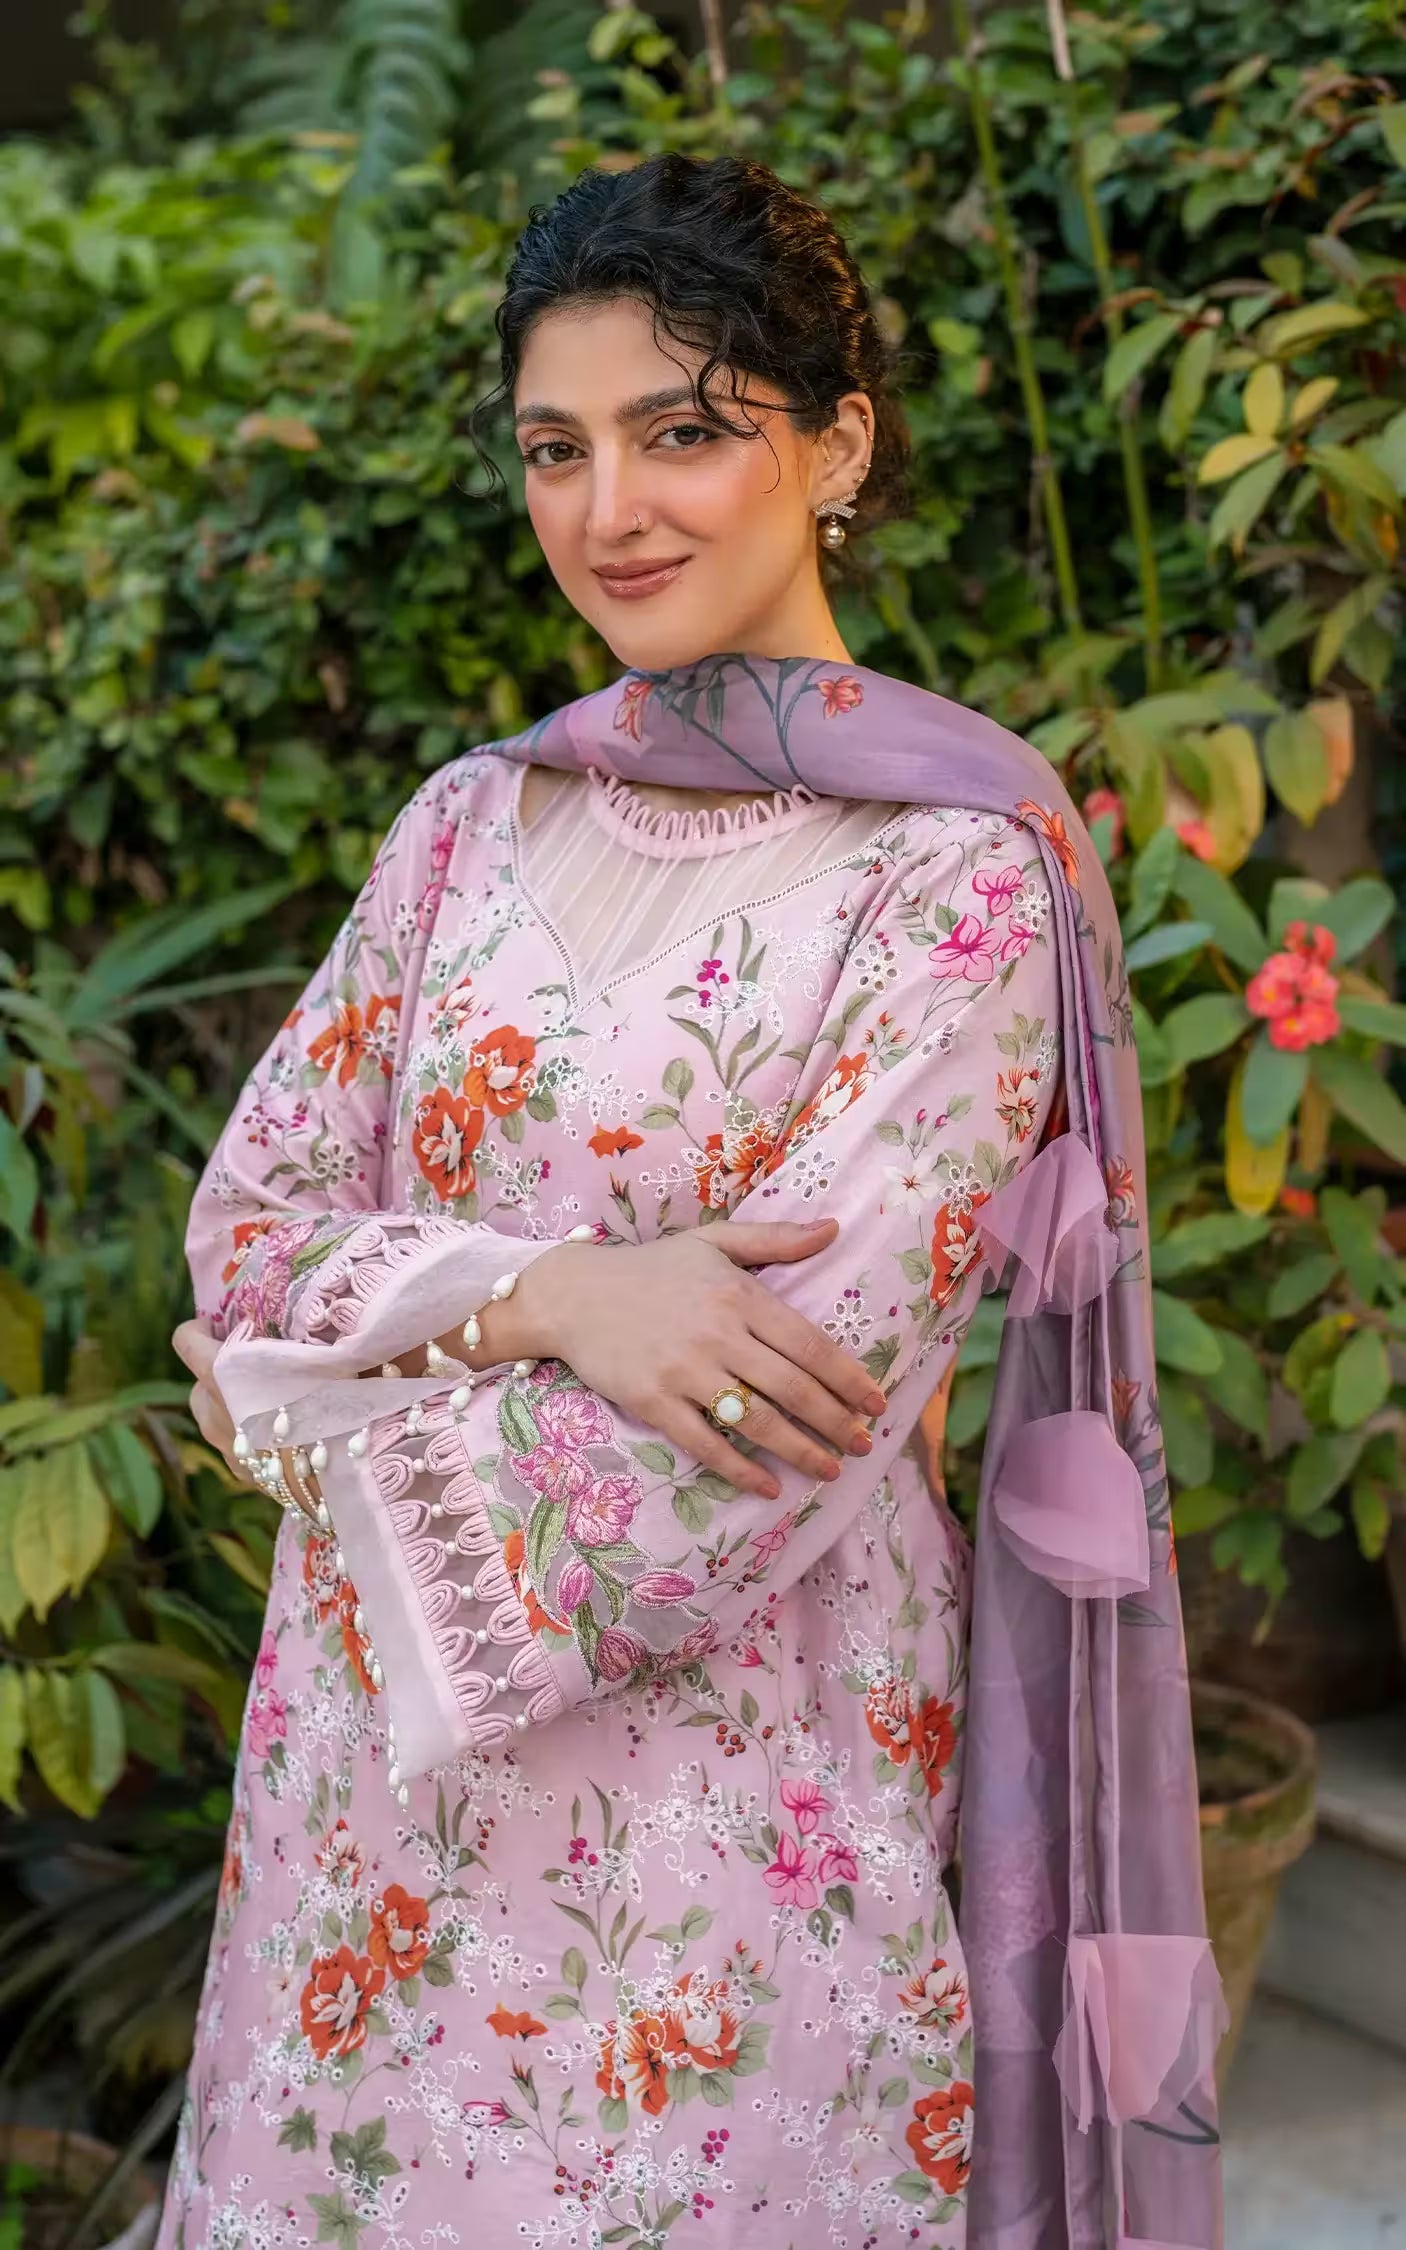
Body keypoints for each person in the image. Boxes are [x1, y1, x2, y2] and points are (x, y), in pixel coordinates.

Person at [163, 155, 1222, 2250]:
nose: (608, 510)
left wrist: (302, 1412)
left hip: (727, 1853)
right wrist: (562, 1293)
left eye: (684, 431)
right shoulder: (470, 824)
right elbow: (242, 1236)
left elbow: (778, 1404)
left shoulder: (955, 874)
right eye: (557, 449)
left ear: (834, 446)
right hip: (358, 1812)